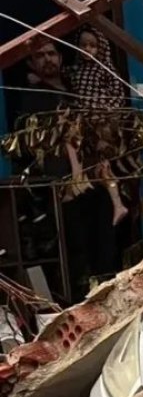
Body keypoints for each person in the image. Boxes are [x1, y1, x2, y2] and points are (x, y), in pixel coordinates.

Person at [14, 38, 119, 302]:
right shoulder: (33, 98)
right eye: (40, 56)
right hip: (65, 184)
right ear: (31, 63)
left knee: (105, 239)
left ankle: (111, 290)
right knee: (76, 246)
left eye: (51, 53)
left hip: (97, 174)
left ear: (61, 58)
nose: (47, 59)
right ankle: (84, 300)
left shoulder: (77, 84)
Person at [67, 28, 129, 225]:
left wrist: (100, 110)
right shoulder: (75, 70)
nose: (87, 49)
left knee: (104, 165)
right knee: (74, 143)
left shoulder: (106, 69)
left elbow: (118, 96)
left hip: (102, 122)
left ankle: (118, 205)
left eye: (92, 45)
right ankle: (78, 179)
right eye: (83, 45)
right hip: (84, 121)